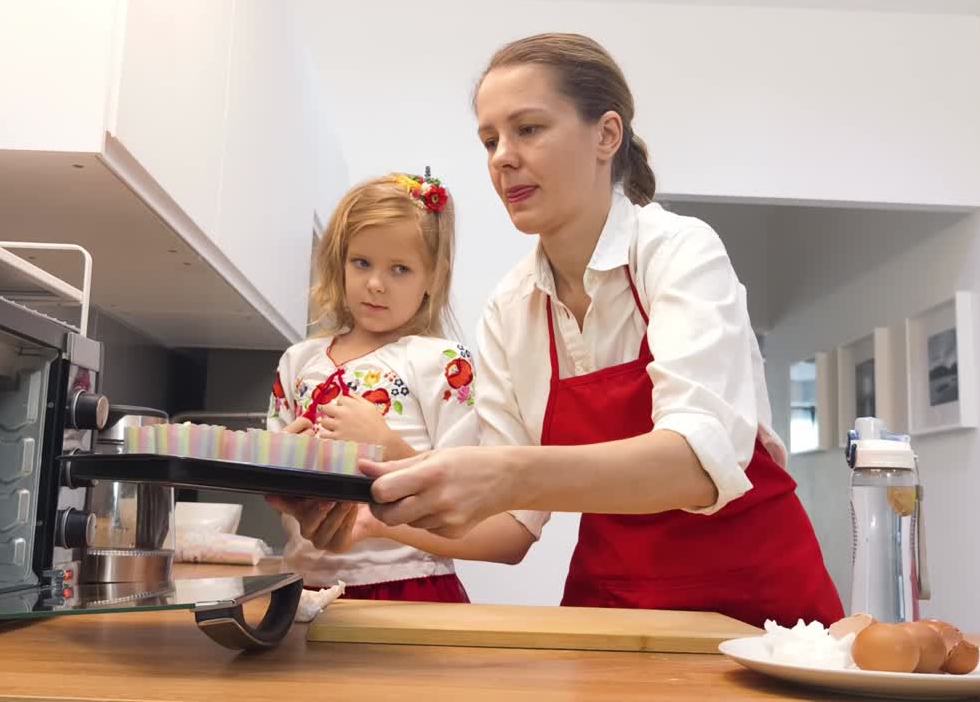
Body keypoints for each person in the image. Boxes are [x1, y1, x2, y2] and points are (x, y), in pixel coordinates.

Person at [278, 33, 844, 628]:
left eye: (528, 129)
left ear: (606, 135)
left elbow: (698, 464)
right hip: (615, 602)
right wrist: (369, 511)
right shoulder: (511, 308)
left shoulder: (678, 252)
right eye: (490, 139)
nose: (501, 157)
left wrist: (508, 472)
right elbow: (509, 527)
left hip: (756, 609)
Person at [262, 171, 485, 603]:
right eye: (361, 263)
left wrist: (382, 443)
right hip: (304, 584)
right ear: (339, 262)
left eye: (400, 269)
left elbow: (463, 487)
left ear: (432, 280)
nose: (376, 283)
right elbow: (272, 487)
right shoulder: (298, 362)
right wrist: (283, 466)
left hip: (410, 582)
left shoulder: (441, 361)